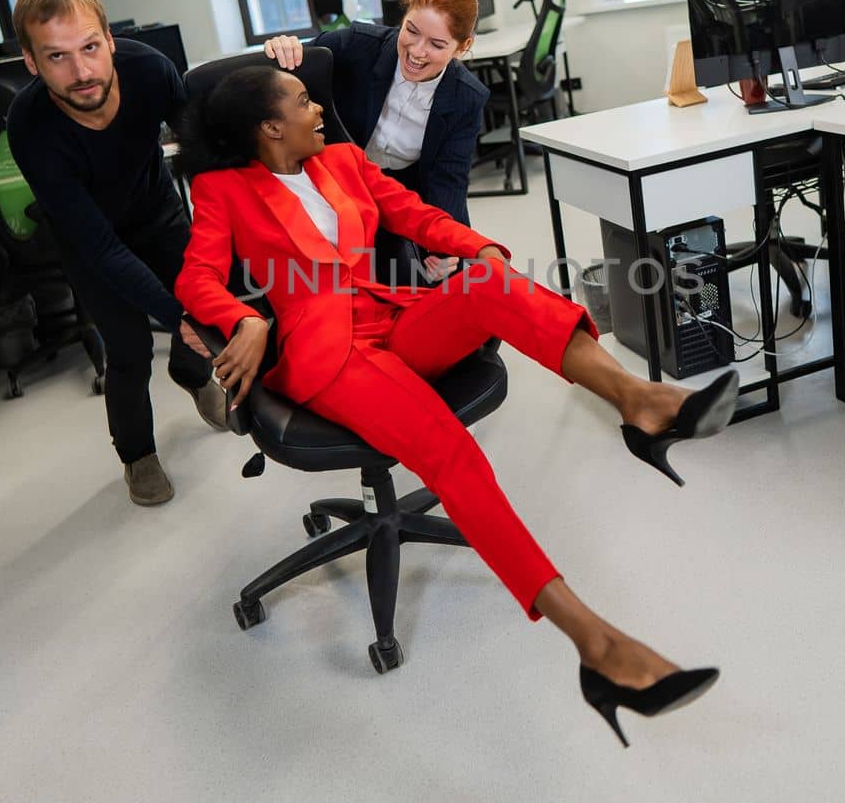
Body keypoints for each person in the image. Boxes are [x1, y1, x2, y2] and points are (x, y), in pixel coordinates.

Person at [174, 65, 737, 744]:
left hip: (392, 319)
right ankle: (599, 648)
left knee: (492, 282)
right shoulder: (222, 190)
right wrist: (249, 320)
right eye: (301, 101)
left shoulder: (345, 161)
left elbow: (415, 215)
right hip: (330, 356)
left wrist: (481, 249)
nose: (318, 105)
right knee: (454, 457)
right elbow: (196, 278)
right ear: (269, 127)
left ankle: (641, 403)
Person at [5, 0, 221, 507]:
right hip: (91, 240)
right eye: (57, 56)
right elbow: (100, 248)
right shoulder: (30, 126)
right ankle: (137, 455)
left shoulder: (149, 70)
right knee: (128, 350)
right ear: (31, 62)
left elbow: (203, 156)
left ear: (109, 39)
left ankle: (192, 377)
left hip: (158, 211)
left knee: (202, 307)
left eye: (90, 48)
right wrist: (175, 319)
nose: (81, 73)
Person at [264, 0, 488, 282]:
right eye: (411, 31)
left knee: (451, 279)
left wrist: (446, 245)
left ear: (462, 47)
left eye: (437, 44)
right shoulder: (358, 44)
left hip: (400, 192)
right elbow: (294, 67)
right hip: (334, 183)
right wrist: (284, 47)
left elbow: (448, 181)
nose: (418, 51)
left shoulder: (466, 97)